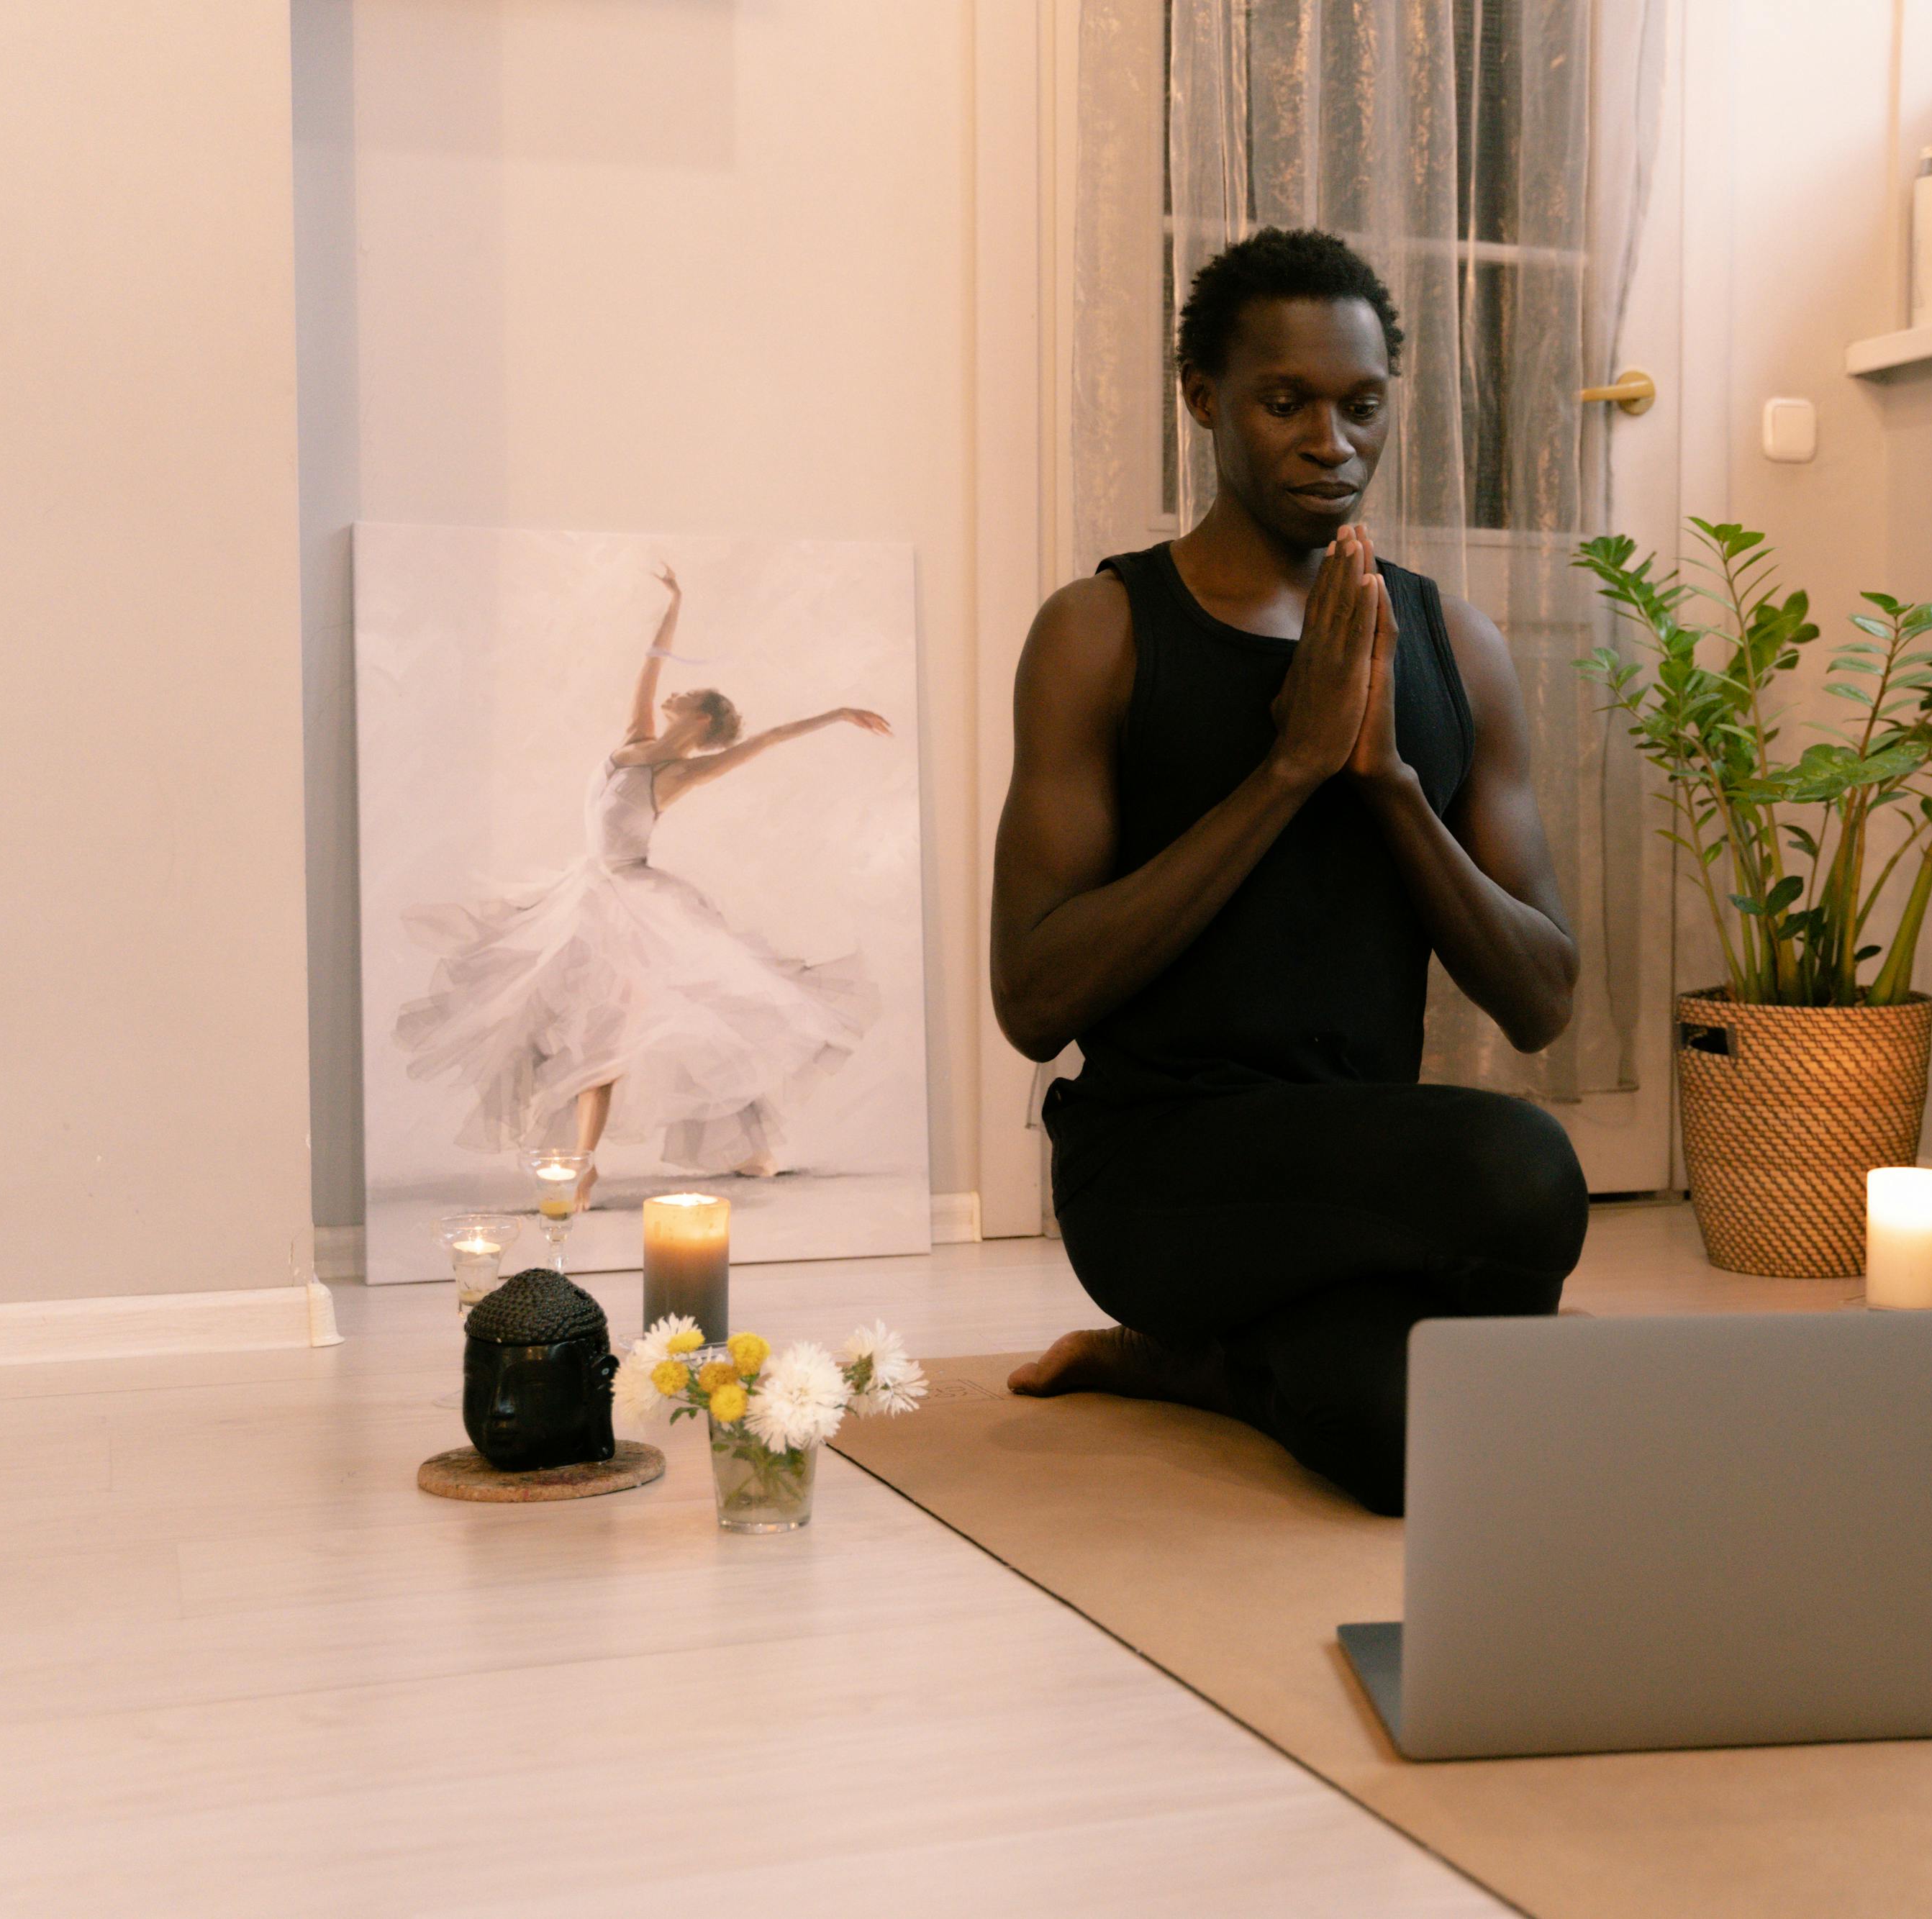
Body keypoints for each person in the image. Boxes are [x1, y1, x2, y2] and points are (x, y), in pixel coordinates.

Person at [992, 227, 1589, 1515]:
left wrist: (1385, 784)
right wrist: (1285, 773)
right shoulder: (1100, 633)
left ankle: (1196, 1364)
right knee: (1524, 1174)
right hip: (1159, 1173)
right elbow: (1033, 1000)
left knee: (1412, 1443)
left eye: (1362, 404)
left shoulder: (1457, 644)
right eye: (1287, 402)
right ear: (1203, 398)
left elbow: (1544, 998)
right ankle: (1182, 1318)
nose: (1333, 441)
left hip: (1360, 1172)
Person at [394, 562, 893, 1207]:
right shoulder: (636, 739)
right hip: (585, 895)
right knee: (568, 1026)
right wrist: (676, 602)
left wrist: (837, 713)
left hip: (632, 907)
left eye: (687, 698)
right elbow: (650, 662)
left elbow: (766, 739)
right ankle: (721, 1152)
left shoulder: (683, 774)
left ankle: (586, 1165)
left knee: (619, 1033)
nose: (670, 696)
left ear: (705, 720)